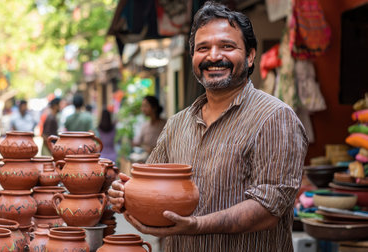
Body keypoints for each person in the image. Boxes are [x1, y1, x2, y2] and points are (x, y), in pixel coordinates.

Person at [108, 2, 308, 251]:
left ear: (250, 55)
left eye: (227, 46)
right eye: (203, 48)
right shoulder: (177, 124)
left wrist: (197, 225)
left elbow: (269, 209)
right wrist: (124, 192)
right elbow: (150, 187)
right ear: (193, 56)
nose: (213, 56)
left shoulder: (275, 118)